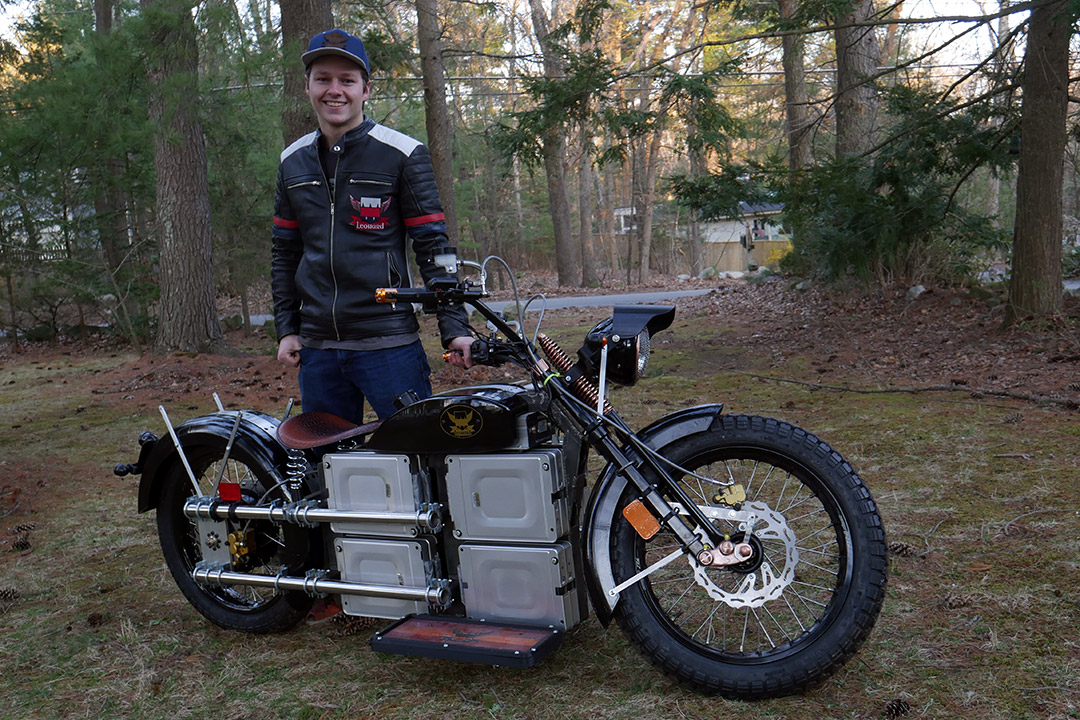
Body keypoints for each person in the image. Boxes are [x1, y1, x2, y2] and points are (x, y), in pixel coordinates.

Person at [272, 28, 473, 425]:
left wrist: (455, 330)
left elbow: (435, 247)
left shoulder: (402, 153)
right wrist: (287, 329)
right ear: (308, 87)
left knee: (419, 460)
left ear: (365, 89)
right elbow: (285, 252)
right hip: (319, 350)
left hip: (390, 346)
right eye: (323, 79)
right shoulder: (291, 161)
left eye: (347, 80)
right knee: (328, 471)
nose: (335, 90)